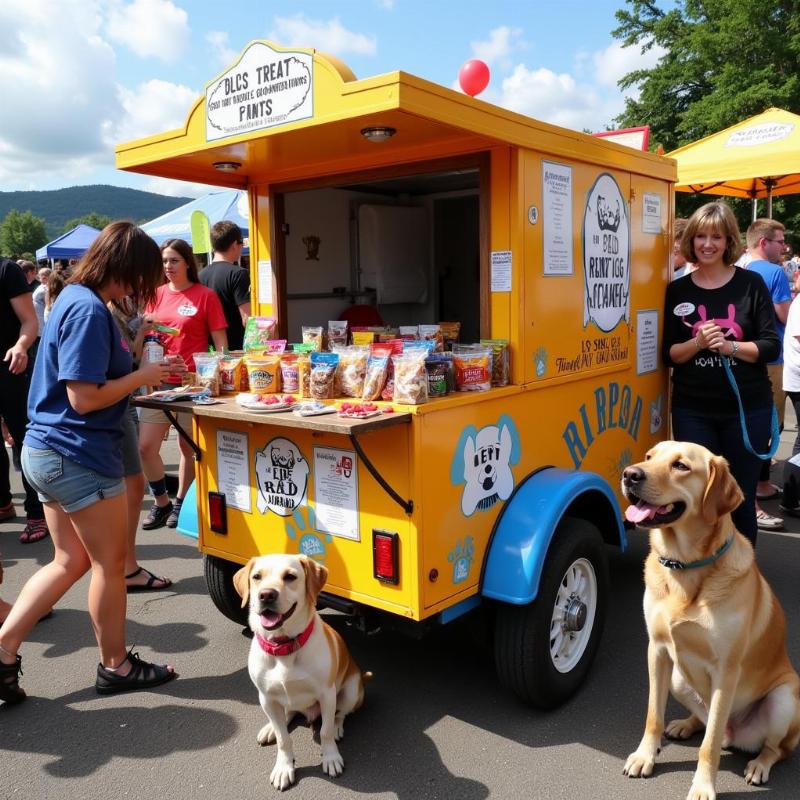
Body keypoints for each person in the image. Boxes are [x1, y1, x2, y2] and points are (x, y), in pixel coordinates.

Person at [0, 222, 177, 705]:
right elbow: (83, 398)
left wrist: (139, 369)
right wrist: (142, 374)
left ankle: (3, 651)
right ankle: (116, 665)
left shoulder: (73, 300)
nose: (145, 287)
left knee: (69, 560)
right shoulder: (88, 310)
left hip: (48, 452)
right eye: (144, 275)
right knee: (109, 564)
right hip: (76, 453)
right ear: (126, 268)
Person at [662, 202, 780, 548]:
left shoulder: (751, 284)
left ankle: (740, 578)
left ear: (729, 240)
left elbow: (770, 346)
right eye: (700, 236)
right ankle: (700, 570)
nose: (707, 244)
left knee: (736, 499)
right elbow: (669, 353)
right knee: (696, 500)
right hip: (693, 410)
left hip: (746, 411)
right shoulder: (677, 290)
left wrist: (730, 347)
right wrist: (698, 342)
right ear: (691, 240)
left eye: (716, 236)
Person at [138, 238, 227, 530]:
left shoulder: (205, 296)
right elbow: (143, 338)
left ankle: (180, 503)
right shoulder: (155, 294)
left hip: (191, 385)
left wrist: (218, 374)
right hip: (159, 382)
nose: (168, 266)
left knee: (188, 449)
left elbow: (220, 343)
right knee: (146, 447)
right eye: (164, 261)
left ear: (188, 262)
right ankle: (161, 502)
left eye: (174, 260)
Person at [110, 298, 172, 592]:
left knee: (133, 486)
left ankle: (125, 567)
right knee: (70, 562)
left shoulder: (115, 307)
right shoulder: (100, 309)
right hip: (114, 410)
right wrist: (143, 373)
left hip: (123, 404)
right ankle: (123, 569)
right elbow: (124, 365)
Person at [743, 219, 792, 530]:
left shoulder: (737, 266)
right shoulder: (774, 273)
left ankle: (759, 486)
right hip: (771, 358)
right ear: (763, 243)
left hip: (742, 355)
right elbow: (785, 315)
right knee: (770, 425)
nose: (784, 246)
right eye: (779, 240)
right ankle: (758, 487)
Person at [0, 258, 48, 543]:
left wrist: (20, 346)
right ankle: (4, 503)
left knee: (22, 438)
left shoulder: (7, 270)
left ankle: (36, 513)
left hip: (9, 367)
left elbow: (30, 321)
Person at [198, 220, 250, 351]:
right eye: (241, 243)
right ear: (234, 245)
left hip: (208, 349)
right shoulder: (239, 274)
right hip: (234, 349)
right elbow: (247, 318)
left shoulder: (199, 275)